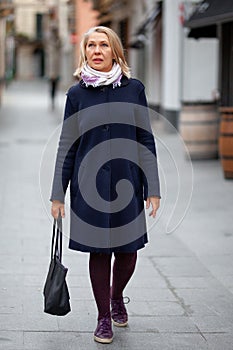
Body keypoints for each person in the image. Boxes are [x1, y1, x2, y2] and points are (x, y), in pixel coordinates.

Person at [50, 26, 160, 344]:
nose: (97, 51)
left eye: (104, 45)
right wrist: (58, 193)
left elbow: (145, 139)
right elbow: (66, 145)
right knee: (99, 253)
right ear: (84, 51)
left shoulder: (134, 89)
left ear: (115, 51)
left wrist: (152, 187)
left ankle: (116, 296)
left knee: (127, 253)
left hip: (127, 184)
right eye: (91, 46)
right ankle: (103, 318)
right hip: (88, 187)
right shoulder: (76, 94)